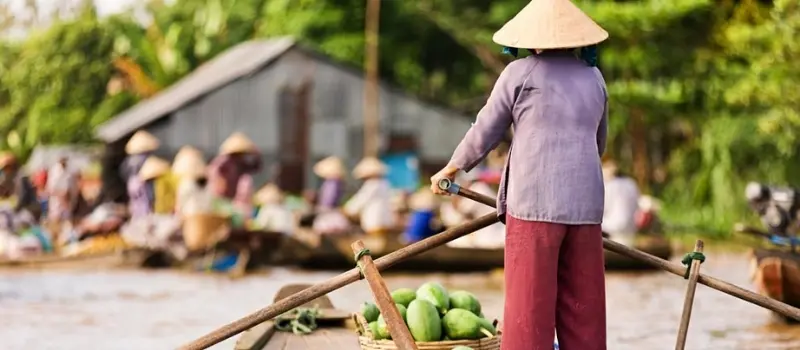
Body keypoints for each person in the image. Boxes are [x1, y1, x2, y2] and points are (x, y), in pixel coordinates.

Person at [429, 1, 610, 348]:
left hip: (534, 205)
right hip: (586, 206)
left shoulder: (520, 73)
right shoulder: (595, 78)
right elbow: (598, 142)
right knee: (583, 309)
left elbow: (486, 128)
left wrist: (452, 168)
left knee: (529, 308)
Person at [208, 132, 262, 218]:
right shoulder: (223, 163)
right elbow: (214, 178)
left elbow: (256, 167)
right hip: (224, 200)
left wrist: (256, 153)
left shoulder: (240, 164)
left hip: (235, 201)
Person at [343, 157, 395, 236]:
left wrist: (347, 210)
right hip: (386, 220)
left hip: (374, 220)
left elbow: (361, 200)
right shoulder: (384, 184)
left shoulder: (372, 185)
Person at [122, 130, 160, 219]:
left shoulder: (129, 160)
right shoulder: (145, 159)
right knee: (145, 202)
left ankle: (137, 218)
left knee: (136, 203)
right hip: (142, 182)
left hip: (132, 183)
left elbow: (123, 172)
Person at [601, 160, 640, 246]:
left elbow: (601, 209)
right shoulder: (631, 183)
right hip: (630, 232)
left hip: (610, 231)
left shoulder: (609, 186)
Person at [311, 156, 350, 234]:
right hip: (332, 212)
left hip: (330, 214)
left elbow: (328, 200)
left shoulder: (332, 183)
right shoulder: (337, 182)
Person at [0, 153, 42, 224]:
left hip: (29, 211)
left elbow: (22, 199)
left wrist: (13, 209)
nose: (5, 171)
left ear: (11, 167)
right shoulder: (15, 177)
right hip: (25, 210)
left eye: (6, 169)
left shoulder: (21, 178)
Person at [171, 146, 210, 214]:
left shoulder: (186, 184)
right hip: (203, 214)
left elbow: (180, 204)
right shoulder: (205, 183)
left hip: (190, 215)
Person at [46, 157, 78, 223]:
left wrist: (68, 198)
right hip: (56, 205)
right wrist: (61, 195)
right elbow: (50, 189)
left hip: (67, 205)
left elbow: (73, 189)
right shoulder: (54, 172)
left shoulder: (70, 172)